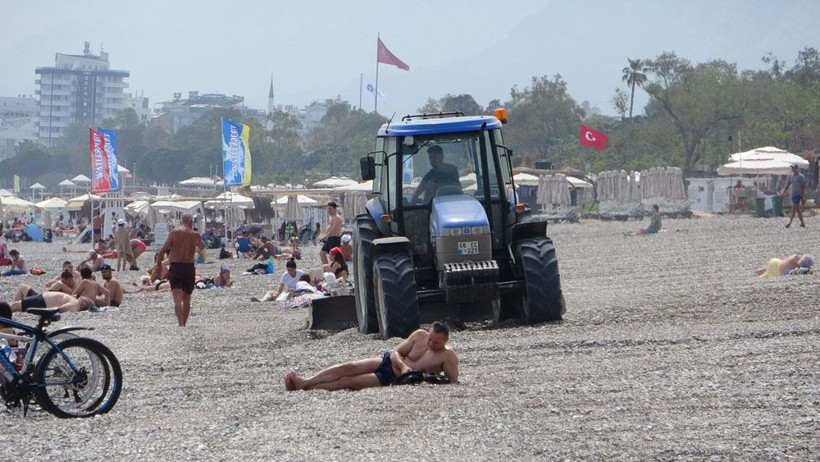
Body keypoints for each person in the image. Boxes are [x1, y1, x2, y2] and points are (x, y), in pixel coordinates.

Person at [284, 321, 459, 391]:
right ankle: (306, 381)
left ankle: (307, 388)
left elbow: (452, 381)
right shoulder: (420, 335)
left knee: (349, 382)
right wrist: (404, 366)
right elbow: (395, 353)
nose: (431, 344)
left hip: (393, 377)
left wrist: (427, 378)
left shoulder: (447, 355)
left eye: (436, 342)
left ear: (445, 340)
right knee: (349, 367)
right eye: (430, 339)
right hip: (389, 363)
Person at [157, 214, 205, 327]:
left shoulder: (174, 232)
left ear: (181, 221)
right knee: (187, 299)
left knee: (177, 299)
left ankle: (180, 324)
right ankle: (184, 323)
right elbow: (202, 247)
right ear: (191, 222)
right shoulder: (194, 234)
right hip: (189, 267)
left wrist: (159, 265)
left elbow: (163, 250)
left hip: (176, 266)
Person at [4, 291, 99, 315]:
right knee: (22, 290)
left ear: (83, 304)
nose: (85, 297)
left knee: (15, 306)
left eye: (87, 300)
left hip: (42, 302)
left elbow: (63, 308)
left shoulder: (75, 304)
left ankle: (4, 320)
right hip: (42, 299)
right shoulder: (75, 300)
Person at [782, 163, 807, 228]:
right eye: (792, 168)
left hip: (798, 195)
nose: (792, 169)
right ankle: (802, 223)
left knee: (794, 208)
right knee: (797, 209)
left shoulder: (801, 176)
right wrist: (784, 191)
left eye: (793, 168)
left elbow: (803, 186)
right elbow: (788, 184)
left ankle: (789, 222)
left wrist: (803, 196)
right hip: (793, 194)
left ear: (797, 168)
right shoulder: (791, 176)